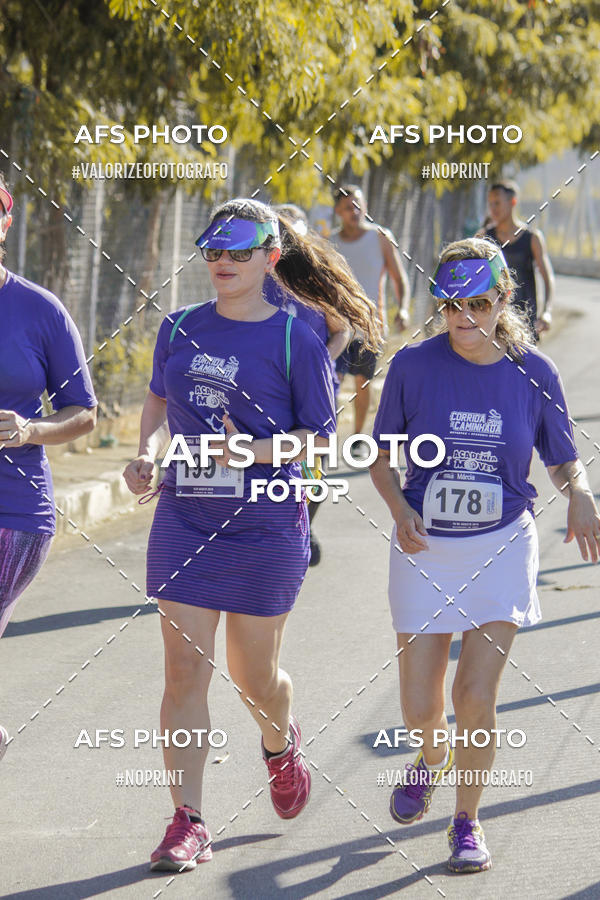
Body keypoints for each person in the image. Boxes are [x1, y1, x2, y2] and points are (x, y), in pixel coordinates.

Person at [123, 197, 379, 873]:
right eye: (214, 252)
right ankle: (189, 819)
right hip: (185, 517)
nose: (224, 264)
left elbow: (320, 440)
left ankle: (279, 740)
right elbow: (156, 399)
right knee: (184, 671)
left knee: (253, 678)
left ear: (271, 257)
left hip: (265, 523)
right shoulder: (178, 327)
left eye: (240, 252)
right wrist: (148, 450)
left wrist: (257, 453)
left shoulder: (297, 337)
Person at [370, 236, 600, 873]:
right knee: (421, 707)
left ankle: (466, 821)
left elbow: (560, 457)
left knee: (474, 694)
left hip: (501, 543)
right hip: (424, 547)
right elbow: (381, 461)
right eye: (449, 304)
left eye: (477, 302)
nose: (462, 317)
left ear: (503, 299)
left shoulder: (535, 372)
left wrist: (579, 493)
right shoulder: (413, 368)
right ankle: (431, 757)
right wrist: (399, 508)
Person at [0, 175, 97, 760]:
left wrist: (31, 430)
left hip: (13, 511)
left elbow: (83, 413)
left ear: (5, 224)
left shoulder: (39, 310)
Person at [264, 204, 352, 566]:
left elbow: (343, 328)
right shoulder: (257, 276)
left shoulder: (316, 282)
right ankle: (269, 533)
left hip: (313, 389)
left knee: (313, 463)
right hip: (267, 388)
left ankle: (305, 523)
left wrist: (320, 361)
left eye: (294, 236)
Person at [329, 184, 410, 454]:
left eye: (358, 205)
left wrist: (404, 308)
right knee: (334, 380)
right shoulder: (332, 242)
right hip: (338, 327)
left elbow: (399, 278)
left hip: (370, 328)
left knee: (362, 383)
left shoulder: (380, 237)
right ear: (338, 211)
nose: (355, 211)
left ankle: (357, 438)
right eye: (348, 207)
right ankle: (327, 435)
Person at [484, 180, 555, 339]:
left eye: (497, 203)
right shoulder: (483, 238)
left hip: (525, 326)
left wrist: (547, 312)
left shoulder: (532, 238)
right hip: (491, 326)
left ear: (513, 202)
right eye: (490, 204)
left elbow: (548, 277)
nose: (493, 209)